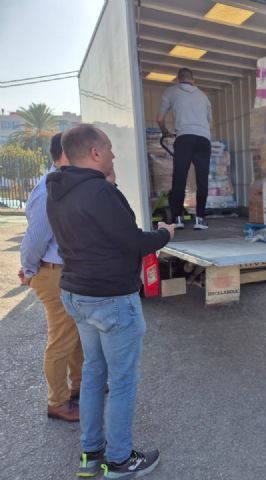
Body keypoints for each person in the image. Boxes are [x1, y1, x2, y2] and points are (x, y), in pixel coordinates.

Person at [46, 124, 175, 478]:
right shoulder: (99, 193)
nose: (114, 154)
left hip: (77, 294)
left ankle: (91, 454)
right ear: (95, 153)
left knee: (93, 373)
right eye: (110, 148)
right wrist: (165, 234)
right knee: (121, 381)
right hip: (111, 299)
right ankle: (119, 461)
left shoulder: (55, 191)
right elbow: (133, 241)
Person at [19, 133, 82, 422]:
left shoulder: (65, 183)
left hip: (63, 271)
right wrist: (30, 270)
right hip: (53, 272)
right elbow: (34, 238)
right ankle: (57, 401)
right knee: (61, 339)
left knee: (75, 334)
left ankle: (79, 387)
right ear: (66, 153)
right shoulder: (49, 189)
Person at [156, 67, 212, 230]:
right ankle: (200, 219)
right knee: (202, 179)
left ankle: (177, 219)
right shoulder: (203, 96)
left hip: (184, 138)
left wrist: (165, 132)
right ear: (193, 80)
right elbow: (209, 124)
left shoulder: (171, 91)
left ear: (178, 79)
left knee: (179, 178)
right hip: (203, 139)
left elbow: (159, 118)